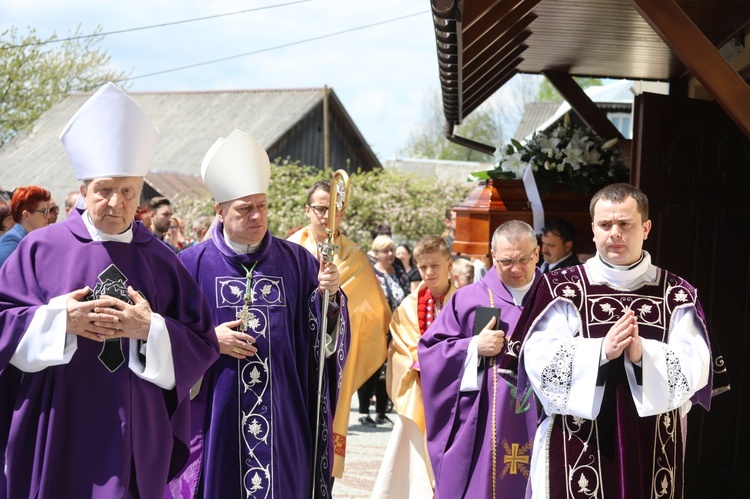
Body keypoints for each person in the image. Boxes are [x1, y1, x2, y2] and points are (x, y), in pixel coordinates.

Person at [0, 82, 219, 498]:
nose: (115, 203)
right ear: (83, 192)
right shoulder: (40, 248)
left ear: (140, 197)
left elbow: (201, 342)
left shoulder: (160, 258)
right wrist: (55, 321)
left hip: (132, 431)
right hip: (58, 420)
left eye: (127, 191)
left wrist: (149, 329)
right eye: (103, 190)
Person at [510, 183, 729, 498]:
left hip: (652, 444)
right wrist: (601, 351)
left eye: (625, 224)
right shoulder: (560, 289)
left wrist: (644, 358)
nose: (615, 233)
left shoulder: (677, 295)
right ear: (593, 230)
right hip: (575, 443)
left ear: (646, 228)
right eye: (605, 225)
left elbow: (696, 368)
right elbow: (538, 361)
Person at [171, 129, 350, 498]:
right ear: (219, 211)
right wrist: (208, 342)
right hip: (215, 419)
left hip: (285, 418)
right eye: (244, 208)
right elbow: (163, 335)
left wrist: (330, 298)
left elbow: (321, 343)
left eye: (262, 206)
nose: (257, 216)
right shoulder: (189, 266)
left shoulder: (299, 262)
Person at [418, 220, 543, 498]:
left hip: (543, 421)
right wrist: (473, 347)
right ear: (492, 255)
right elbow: (430, 353)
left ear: (538, 253)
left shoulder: (556, 297)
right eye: (507, 261)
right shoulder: (469, 299)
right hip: (486, 424)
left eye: (524, 259)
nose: (516, 268)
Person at [288, 179, 391, 478]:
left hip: (334, 361)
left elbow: (374, 312)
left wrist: (337, 303)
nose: (326, 216)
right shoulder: (290, 249)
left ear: (342, 212)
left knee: (322, 454)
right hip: (294, 355)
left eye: (334, 209)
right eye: (320, 209)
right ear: (308, 210)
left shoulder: (354, 256)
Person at [373, 236, 456, 498]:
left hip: (456, 393)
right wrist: (419, 363)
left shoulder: (465, 301)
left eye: (435, 266)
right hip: (419, 391)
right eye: (422, 267)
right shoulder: (409, 306)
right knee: (413, 460)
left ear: (449, 265)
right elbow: (399, 348)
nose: (429, 273)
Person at [361, 234, 410, 427]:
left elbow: (406, 295)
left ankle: (381, 411)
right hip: (374, 328)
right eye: (385, 251)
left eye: (391, 250)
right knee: (371, 370)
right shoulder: (370, 273)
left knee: (387, 370)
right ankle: (364, 411)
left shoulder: (399, 272)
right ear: (376, 253)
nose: (390, 254)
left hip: (396, 329)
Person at [0, 185, 51, 267]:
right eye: (43, 211)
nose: (48, 216)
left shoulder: (28, 237)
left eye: (47, 211)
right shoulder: (12, 242)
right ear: (26, 215)